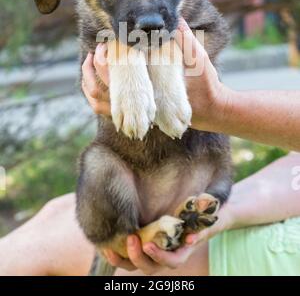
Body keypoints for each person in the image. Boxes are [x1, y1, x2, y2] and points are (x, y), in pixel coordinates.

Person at [0, 18, 299, 276]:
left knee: (46, 243)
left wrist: (219, 108)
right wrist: (223, 214)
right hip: (275, 225)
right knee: (58, 215)